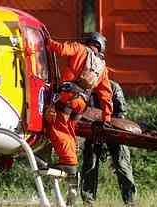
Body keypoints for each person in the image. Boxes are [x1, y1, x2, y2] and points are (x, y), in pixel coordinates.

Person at [44, 32, 113, 174]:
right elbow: (106, 94)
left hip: (68, 97)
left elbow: (61, 49)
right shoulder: (102, 68)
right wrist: (107, 118)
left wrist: (45, 41)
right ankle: (71, 159)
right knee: (69, 131)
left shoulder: (79, 48)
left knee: (57, 128)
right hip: (81, 104)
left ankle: (69, 162)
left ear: (88, 42)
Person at [81, 80, 136, 206]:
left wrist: (108, 131)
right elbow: (81, 112)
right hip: (93, 131)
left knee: (123, 165)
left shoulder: (114, 88)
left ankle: (130, 201)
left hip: (115, 130)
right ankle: (88, 202)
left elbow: (121, 114)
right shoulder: (85, 89)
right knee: (90, 165)